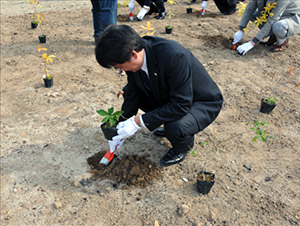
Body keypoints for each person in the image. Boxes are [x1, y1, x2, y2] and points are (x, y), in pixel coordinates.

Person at [95, 25, 223, 166]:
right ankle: (168, 126)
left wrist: (137, 122)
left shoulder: (174, 56)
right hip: (172, 95)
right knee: (136, 95)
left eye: (119, 67)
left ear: (134, 54)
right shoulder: (133, 56)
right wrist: (120, 123)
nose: (120, 70)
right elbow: (133, 92)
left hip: (200, 102)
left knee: (176, 127)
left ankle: (181, 148)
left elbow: (181, 105)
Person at [233, 0, 300, 55]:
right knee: (254, 15)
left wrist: (252, 43)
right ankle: (273, 35)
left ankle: (282, 41)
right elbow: (250, 8)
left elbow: (272, 20)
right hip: (276, 14)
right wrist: (241, 29)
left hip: (291, 17)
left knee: (279, 26)